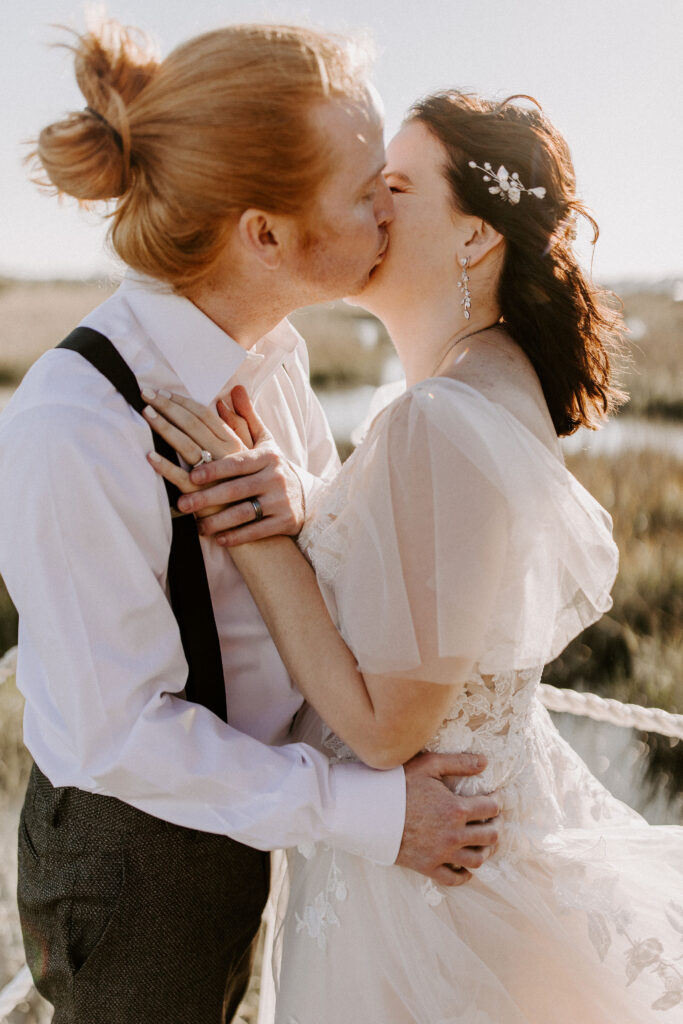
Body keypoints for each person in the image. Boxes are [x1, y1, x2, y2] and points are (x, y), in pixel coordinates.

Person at [0, 23, 502, 1024]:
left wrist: (306, 507)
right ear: (262, 233)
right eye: (365, 193)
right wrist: (373, 812)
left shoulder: (271, 355)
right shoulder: (75, 422)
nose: (386, 215)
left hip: (258, 816)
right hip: (134, 865)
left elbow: (318, 581)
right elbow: (118, 736)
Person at [145, 91, 683, 1022]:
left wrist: (258, 536)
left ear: (475, 238)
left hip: (427, 894)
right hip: (469, 840)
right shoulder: (486, 382)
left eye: (394, 184)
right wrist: (310, 502)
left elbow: (385, 729)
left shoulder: (439, 418)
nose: (367, 204)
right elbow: (432, 577)